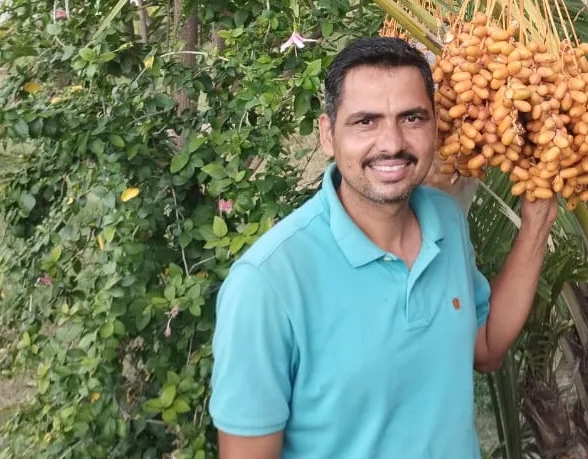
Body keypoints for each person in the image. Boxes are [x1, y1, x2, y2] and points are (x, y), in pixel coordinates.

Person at [210, 36, 557, 459]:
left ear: (435, 125)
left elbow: (484, 349)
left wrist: (537, 221)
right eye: (365, 122)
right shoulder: (267, 284)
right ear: (327, 135)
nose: (391, 143)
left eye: (412, 118)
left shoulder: (445, 221)